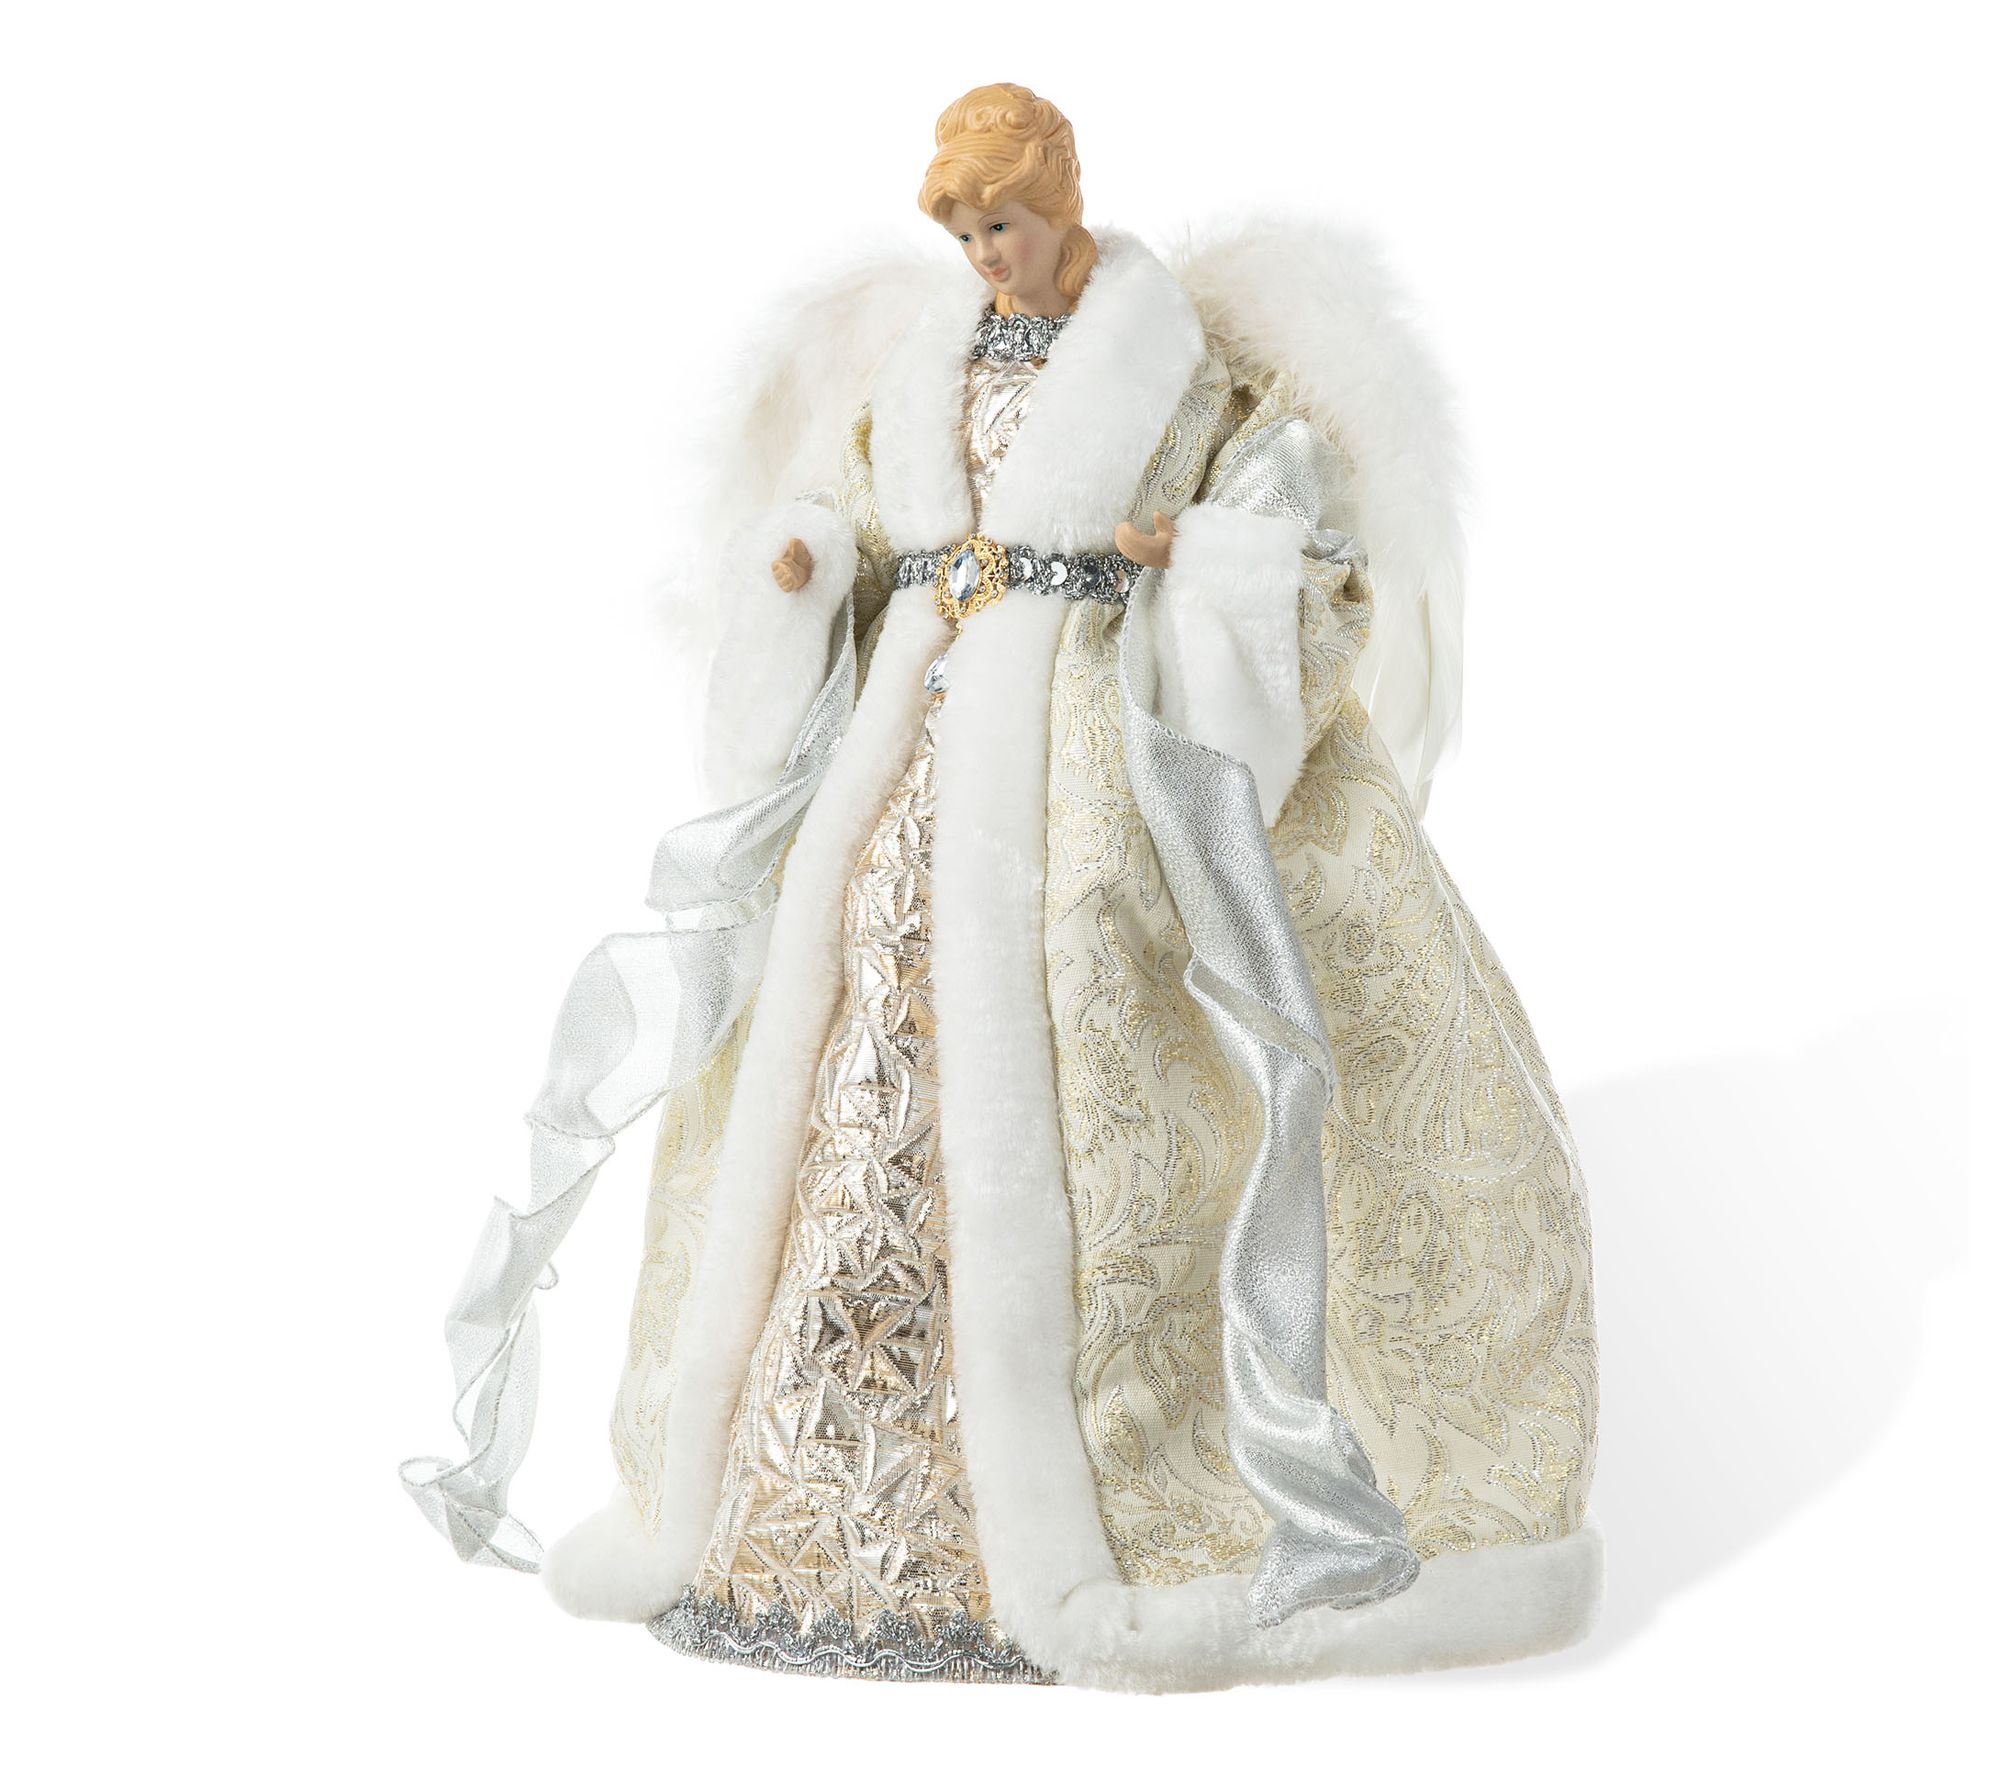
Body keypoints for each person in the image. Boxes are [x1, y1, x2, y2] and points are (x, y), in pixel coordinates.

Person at [404, 81, 1602, 1692]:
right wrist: (802, 564)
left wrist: (1202, 561)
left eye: (1004, 224)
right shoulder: (925, 361)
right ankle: (811, 1496)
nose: (984, 253)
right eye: (964, 230)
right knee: (841, 1075)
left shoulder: (1177, 363)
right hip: (907, 767)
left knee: (1100, 1059)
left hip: (1091, 764)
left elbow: (1291, 514)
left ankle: (1108, 1503)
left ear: (1060, 202)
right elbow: (845, 519)